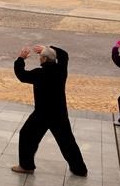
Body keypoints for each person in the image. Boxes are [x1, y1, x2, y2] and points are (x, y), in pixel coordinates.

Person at [12, 45, 87, 177]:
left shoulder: (39, 73)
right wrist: (49, 48)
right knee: (67, 141)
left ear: (44, 59)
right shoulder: (61, 70)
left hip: (42, 114)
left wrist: (20, 59)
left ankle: (26, 166)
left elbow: (21, 75)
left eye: (41, 57)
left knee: (26, 135)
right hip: (59, 113)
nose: (40, 59)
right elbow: (64, 55)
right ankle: (80, 169)